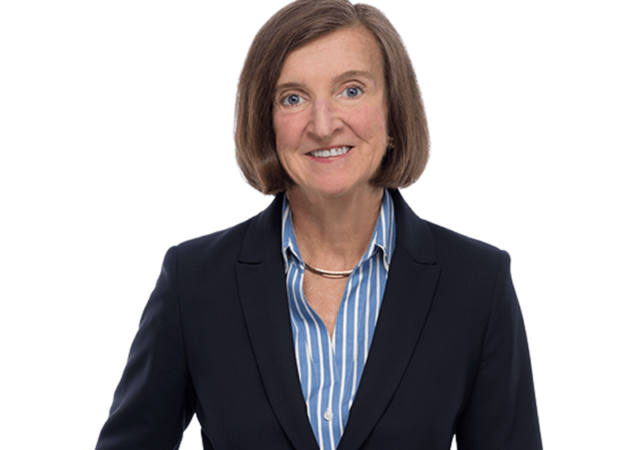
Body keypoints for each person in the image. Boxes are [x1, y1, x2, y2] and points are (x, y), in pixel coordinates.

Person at [95, 0, 543, 449]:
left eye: (351, 90)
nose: (324, 125)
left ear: (394, 112)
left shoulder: (477, 284)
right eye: (293, 98)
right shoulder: (194, 282)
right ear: (266, 123)